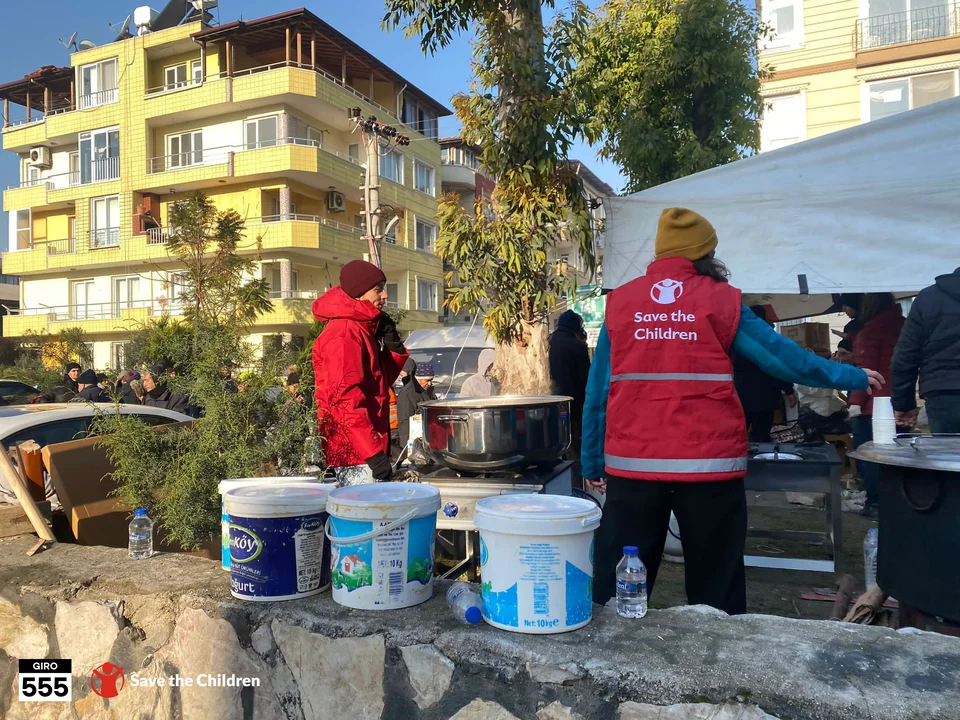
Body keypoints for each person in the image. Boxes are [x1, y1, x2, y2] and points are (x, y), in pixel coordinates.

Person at [581, 208, 883, 615]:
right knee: (715, 583)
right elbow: (782, 358)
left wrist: (591, 458)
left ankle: (608, 663)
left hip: (633, 467)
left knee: (619, 589)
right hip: (707, 468)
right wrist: (849, 376)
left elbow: (598, 390)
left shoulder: (621, 303)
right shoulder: (721, 300)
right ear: (706, 254)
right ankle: (717, 671)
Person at [312, 260, 409, 484]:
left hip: (365, 447)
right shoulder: (344, 333)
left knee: (373, 517)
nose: (385, 295)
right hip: (356, 455)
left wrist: (394, 348)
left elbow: (378, 384)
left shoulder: (360, 328)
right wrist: (373, 454)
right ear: (358, 293)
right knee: (366, 517)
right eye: (378, 289)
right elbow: (344, 400)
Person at [847, 292, 905, 518]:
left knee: (871, 456)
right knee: (900, 457)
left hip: (874, 406)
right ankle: (900, 502)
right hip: (901, 403)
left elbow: (865, 374)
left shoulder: (870, 331)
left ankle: (876, 503)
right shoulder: (905, 326)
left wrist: (855, 404)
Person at [892, 267, 960, 434]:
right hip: (942, 391)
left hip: (943, 394)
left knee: (949, 457)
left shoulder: (928, 298)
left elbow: (905, 356)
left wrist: (904, 404)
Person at [733, 306, 797, 443]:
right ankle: (760, 462)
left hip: (741, 395)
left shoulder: (737, 337)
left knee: (738, 436)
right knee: (761, 437)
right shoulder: (768, 340)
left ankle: (740, 462)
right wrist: (789, 390)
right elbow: (777, 368)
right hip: (765, 395)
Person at [549, 310, 591, 455]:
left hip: (553, 401)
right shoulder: (577, 346)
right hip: (575, 402)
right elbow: (586, 378)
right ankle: (576, 469)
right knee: (575, 438)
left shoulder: (550, 341)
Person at [396, 362, 438, 450]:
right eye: (427, 380)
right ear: (418, 379)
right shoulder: (407, 394)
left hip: (429, 439)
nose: (430, 383)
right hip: (415, 441)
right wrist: (407, 448)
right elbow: (405, 422)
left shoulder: (429, 391)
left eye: (431, 380)